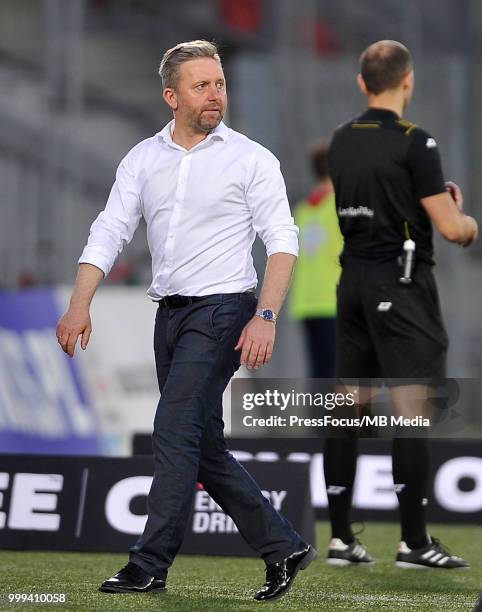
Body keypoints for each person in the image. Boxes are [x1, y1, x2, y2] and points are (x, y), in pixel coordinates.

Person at [56, 40, 316, 601]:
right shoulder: (142, 159)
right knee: (202, 446)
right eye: (202, 86)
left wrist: (266, 316)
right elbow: (109, 231)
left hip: (226, 311)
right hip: (168, 316)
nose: (216, 94)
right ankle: (282, 545)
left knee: (172, 430)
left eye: (219, 83)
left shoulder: (251, 158)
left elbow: (282, 241)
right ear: (172, 96)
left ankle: (148, 564)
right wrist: (80, 304)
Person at [324, 40, 477, 569]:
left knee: (349, 406)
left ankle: (341, 537)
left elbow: (374, 199)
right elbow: (453, 230)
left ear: (363, 83)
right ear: (407, 82)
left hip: (352, 284)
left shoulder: (341, 140)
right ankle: (414, 542)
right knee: (413, 409)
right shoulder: (416, 142)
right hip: (401, 283)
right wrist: (466, 217)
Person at [290, 141, 343, 378]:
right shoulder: (343, 206)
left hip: (308, 301)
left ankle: (319, 415)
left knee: (320, 371)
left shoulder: (303, 210)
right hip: (337, 301)